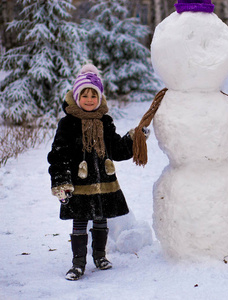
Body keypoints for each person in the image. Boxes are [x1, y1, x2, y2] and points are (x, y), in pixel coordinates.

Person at [48, 64, 147, 281]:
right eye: (85, 95)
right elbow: (58, 155)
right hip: (78, 184)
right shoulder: (67, 124)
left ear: (100, 97)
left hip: (103, 183)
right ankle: (78, 263)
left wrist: (134, 138)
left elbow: (117, 149)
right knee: (80, 221)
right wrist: (61, 181)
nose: (90, 99)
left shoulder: (105, 121)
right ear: (76, 97)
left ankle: (100, 256)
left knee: (101, 218)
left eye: (94, 95)